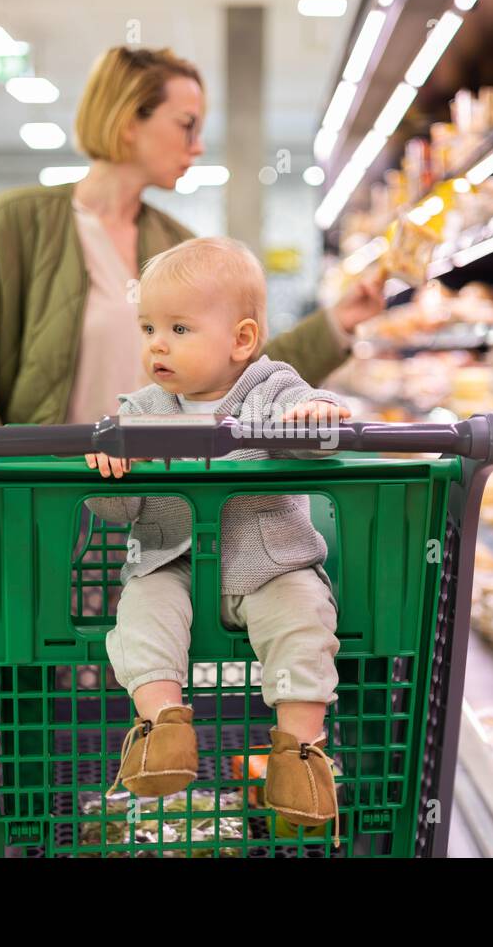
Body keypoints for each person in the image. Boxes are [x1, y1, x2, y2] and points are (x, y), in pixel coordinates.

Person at [0, 45, 384, 429]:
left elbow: (240, 366)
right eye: (187, 125)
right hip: (48, 495)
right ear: (129, 121)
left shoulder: (175, 244)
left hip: (160, 504)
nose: (198, 146)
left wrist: (336, 322)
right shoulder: (15, 224)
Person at [84, 237, 346, 844]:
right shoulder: (141, 409)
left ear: (242, 340)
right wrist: (104, 462)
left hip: (271, 564)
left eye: (179, 327)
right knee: (139, 610)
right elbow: (118, 509)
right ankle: (163, 729)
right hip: (172, 565)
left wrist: (316, 416)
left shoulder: (272, 387)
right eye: (148, 326)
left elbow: (322, 425)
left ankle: (300, 754)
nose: (157, 343)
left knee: (306, 618)